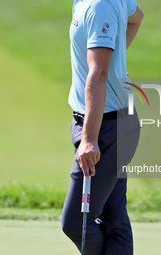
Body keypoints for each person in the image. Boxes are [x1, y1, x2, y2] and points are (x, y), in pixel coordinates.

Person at [61, 0, 144, 254]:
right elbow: (136, 17)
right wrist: (116, 55)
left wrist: (89, 138)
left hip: (108, 128)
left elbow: (98, 73)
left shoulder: (101, 5)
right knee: (114, 218)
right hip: (104, 122)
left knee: (77, 221)